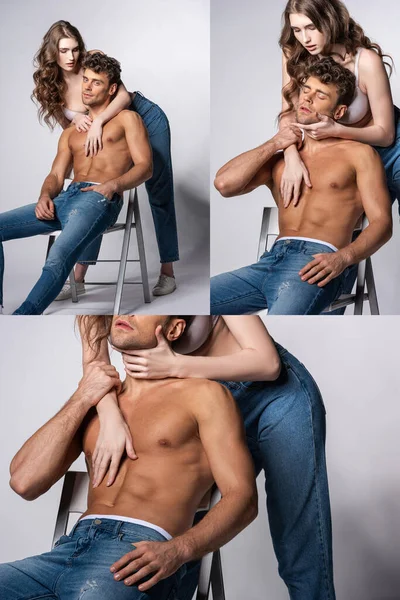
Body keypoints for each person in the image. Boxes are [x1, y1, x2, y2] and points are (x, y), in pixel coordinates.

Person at [0, 315, 257, 600]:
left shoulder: (205, 395)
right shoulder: (97, 404)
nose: (126, 313)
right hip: (67, 550)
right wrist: (84, 394)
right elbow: (24, 481)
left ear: (174, 329)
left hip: (137, 554)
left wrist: (179, 550)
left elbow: (242, 497)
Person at [80, 314, 336, 600]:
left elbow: (268, 363)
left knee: (299, 537)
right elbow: (96, 368)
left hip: (272, 393)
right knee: (184, 523)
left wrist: (176, 365)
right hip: (201, 397)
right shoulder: (109, 306)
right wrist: (110, 415)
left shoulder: (207, 284)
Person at [211, 58, 392, 315]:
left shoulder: (359, 154)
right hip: (268, 262)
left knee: (280, 323)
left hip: (315, 264)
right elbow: (224, 184)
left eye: (320, 95)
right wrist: (276, 143)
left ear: (338, 112)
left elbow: (382, 223)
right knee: (196, 306)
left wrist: (343, 258)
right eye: (305, 90)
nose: (306, 99)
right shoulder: (282, 157)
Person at [33, 20, 179, 298]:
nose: (71, 57)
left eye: (75, 49)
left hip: (142, 115)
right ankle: (78, 277)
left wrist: (98, 121)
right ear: (52, 52)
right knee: (90, 188)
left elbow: (122, 95)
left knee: (159, 189)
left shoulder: (92, 60)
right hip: (103, 136)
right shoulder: (51, 87)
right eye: (64, 51)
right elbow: (71, 131)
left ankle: (167, 271)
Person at [0, 53, 152, 315]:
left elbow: (145, 168)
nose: (87, 87)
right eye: (85, 80)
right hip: (65, 198)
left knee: (57, 258)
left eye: (96, 82)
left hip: (98, 198)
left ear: (112, 89)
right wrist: (44, 196)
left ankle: (23, 316)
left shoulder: (127, 119)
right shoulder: (71, 132)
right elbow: (57, 176)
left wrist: (112, 186)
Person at [279, 0, 398, 208]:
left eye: (311, 27)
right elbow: (288, 114)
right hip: (346, 151)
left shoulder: (366, 61)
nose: (305, 38)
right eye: (297, 30)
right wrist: (291, 158)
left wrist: (336, 129)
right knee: (340, 229)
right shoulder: (294, 54)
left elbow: (386, 134)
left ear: (329, 20)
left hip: (392, 149)